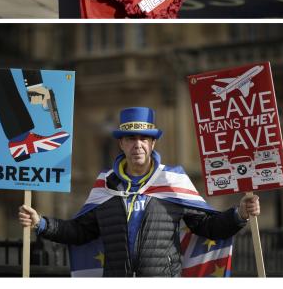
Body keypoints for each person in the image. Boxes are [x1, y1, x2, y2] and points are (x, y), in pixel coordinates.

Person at [17, 107, 260, 277]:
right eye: (131, 138)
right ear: (121, 144)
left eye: (144, 138)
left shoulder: (172, 180)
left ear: (153, 143)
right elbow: (80, 232)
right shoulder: (106, 185)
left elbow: (208, 227)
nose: (138, 144)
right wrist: (41, 223)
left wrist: (239, 213)